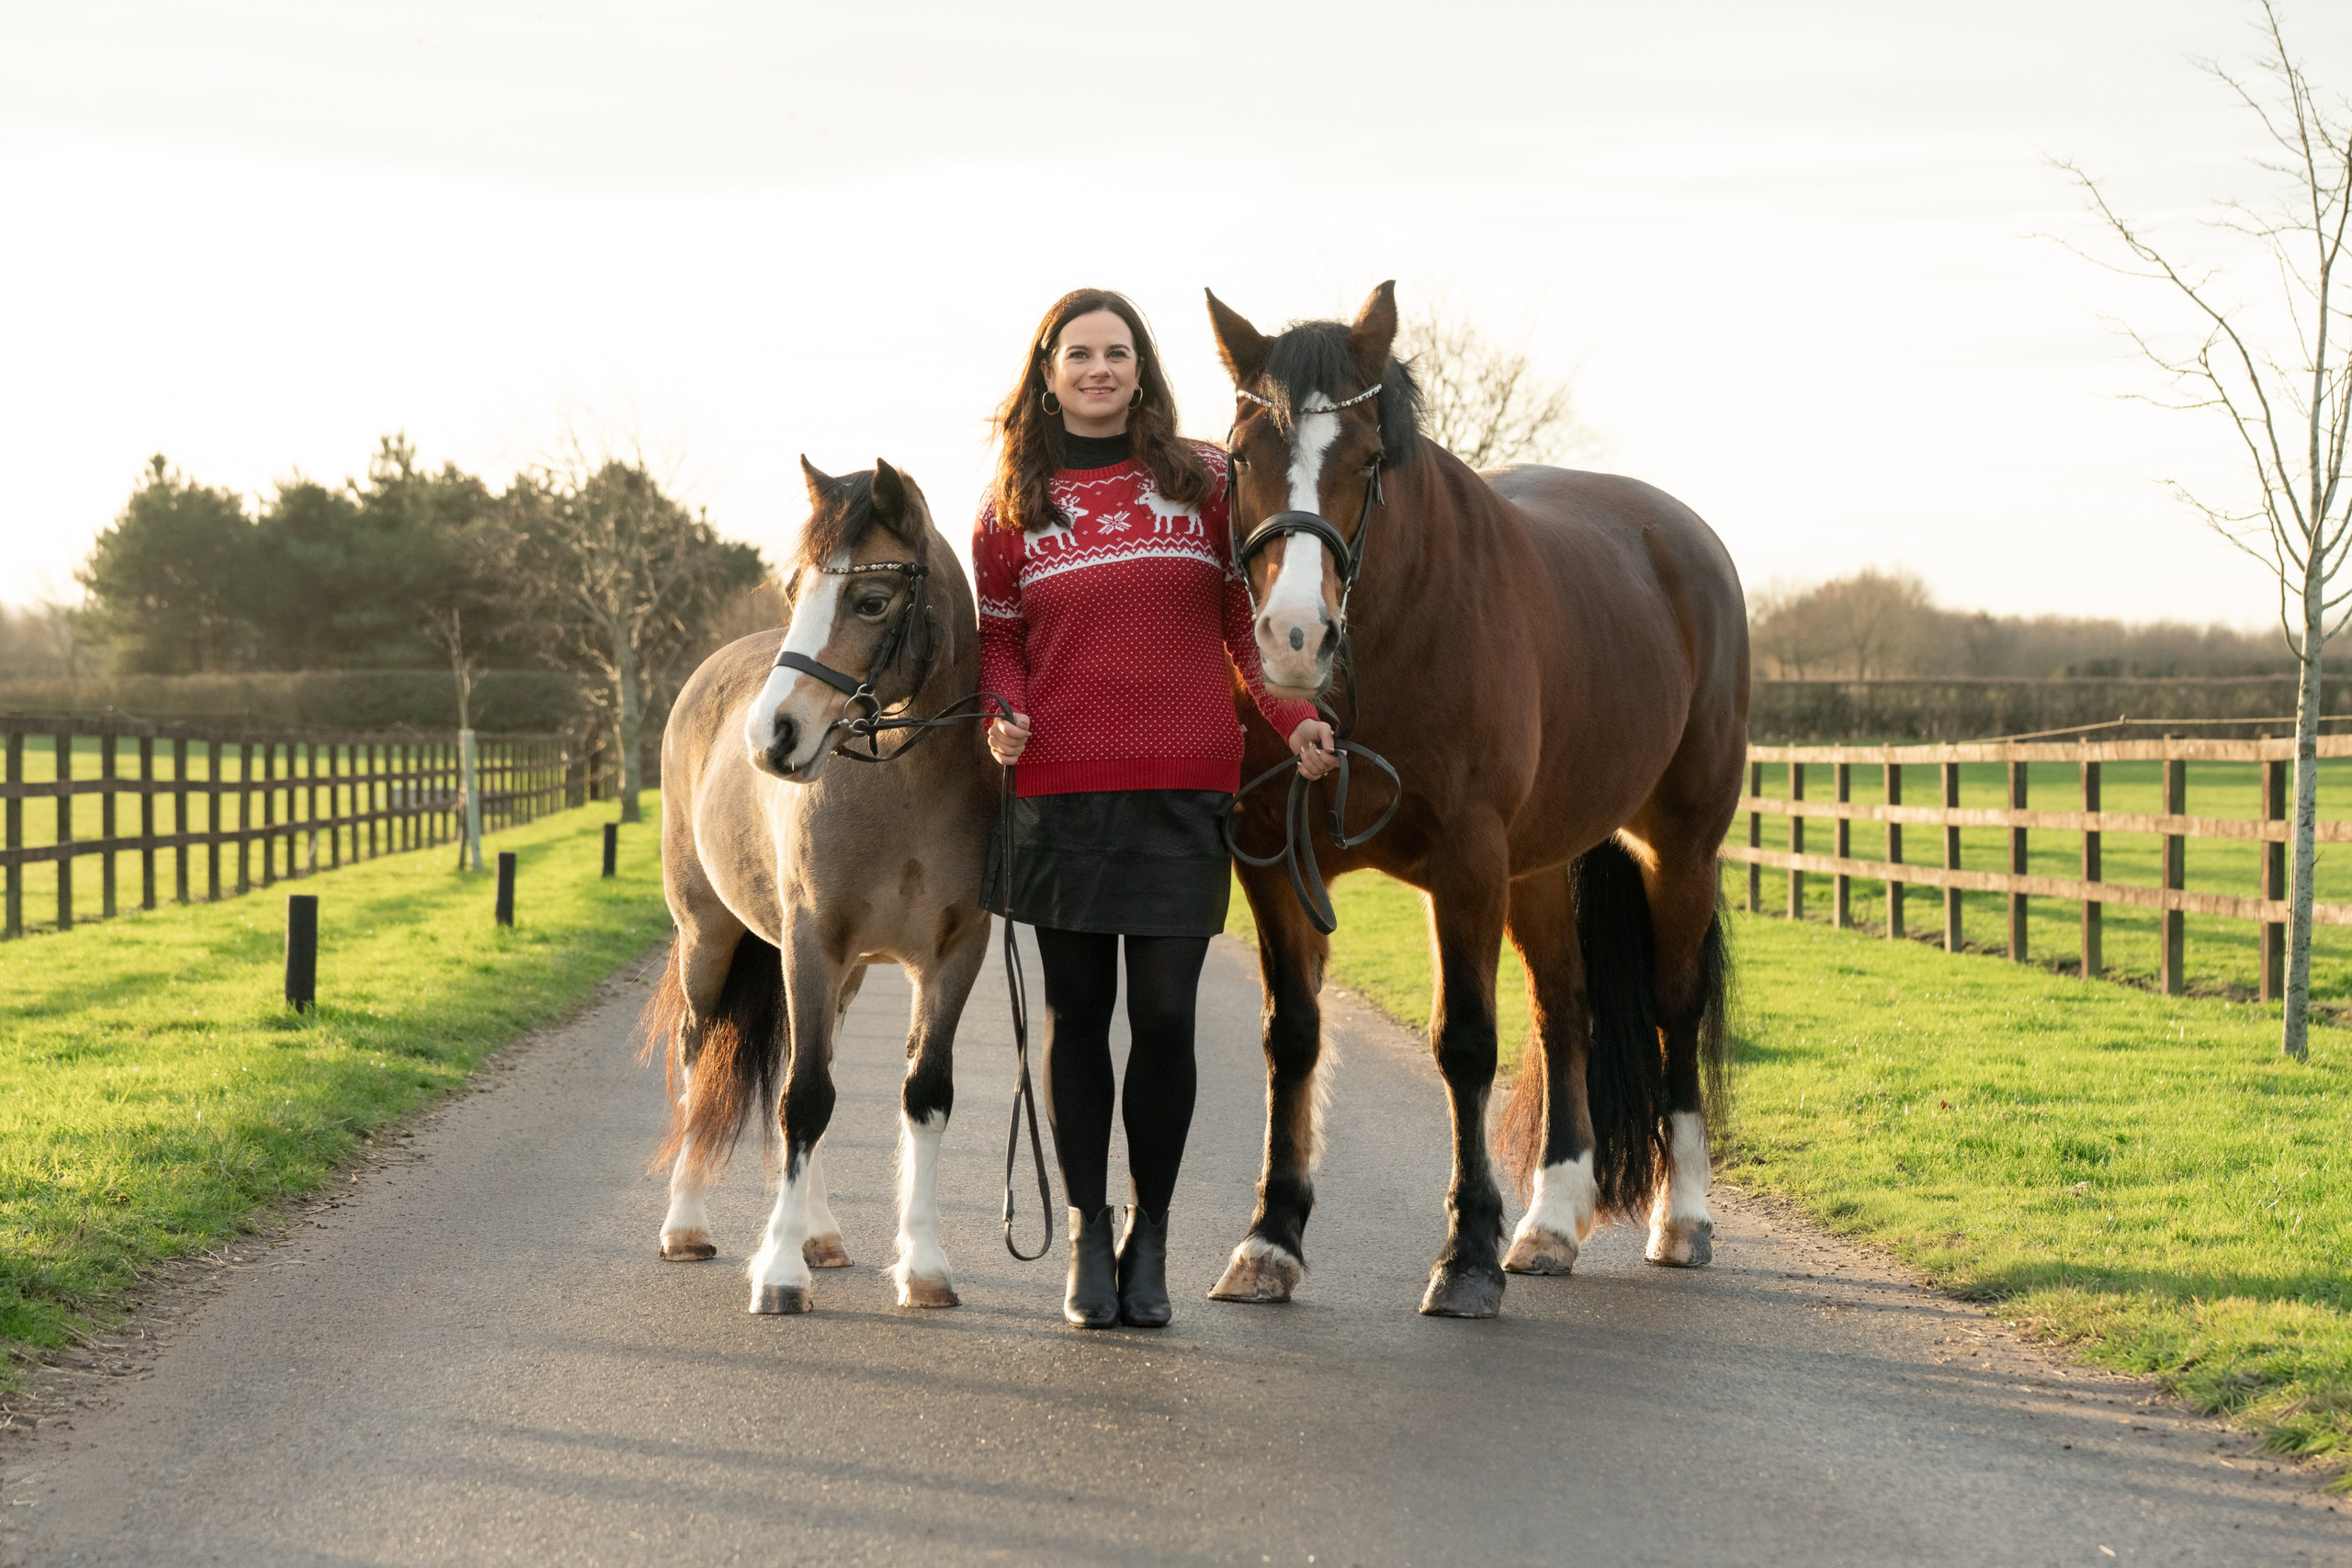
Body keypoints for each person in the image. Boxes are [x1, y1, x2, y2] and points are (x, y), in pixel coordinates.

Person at [975, 288, 1337, 1328]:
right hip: (1060, 792)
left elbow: (1241, 622)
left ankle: (1153, 1237)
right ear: (1046, 371)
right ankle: (1089, 1237)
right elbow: (1001, 641)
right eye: (1078, 353)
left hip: (1185, 784)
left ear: (1142, 368)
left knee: (1168, 1018)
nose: (1098, 370)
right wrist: (1002, 711)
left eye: (1116, 353)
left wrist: (1288, 719)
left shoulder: (1206, 480)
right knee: (1076, 1017)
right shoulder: (1012, 507)